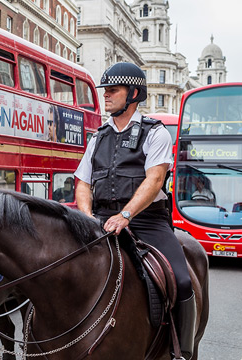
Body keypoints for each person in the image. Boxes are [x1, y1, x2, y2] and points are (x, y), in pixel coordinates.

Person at [74, 62, 196, 360]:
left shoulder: (155, 134)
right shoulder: (97, 137)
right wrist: (87, 217)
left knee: (181, 280)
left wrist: (126, 215)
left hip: (146, 221)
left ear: (133, 94)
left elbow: (154, 181)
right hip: (101, 221)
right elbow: (82, 183)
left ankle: (183, 350)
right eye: (106, 91)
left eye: (113, 90)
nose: (106, 96)